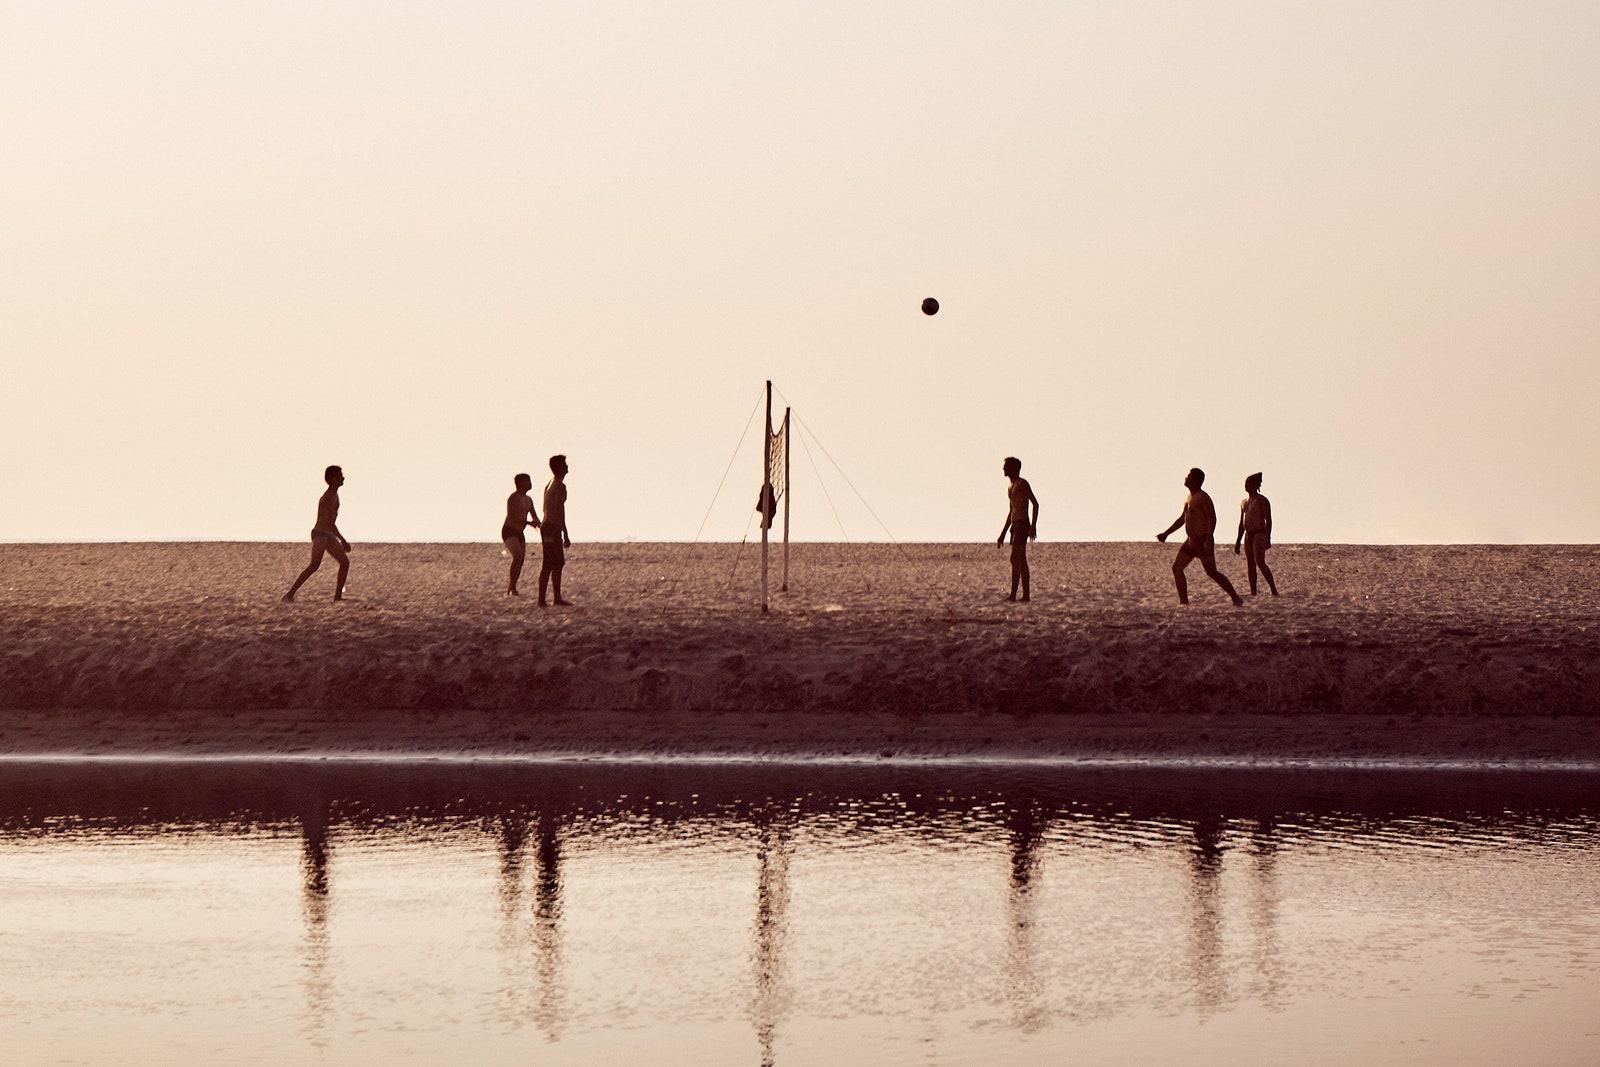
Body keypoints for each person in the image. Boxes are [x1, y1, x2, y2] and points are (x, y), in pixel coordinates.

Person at [1156, 467, 1243, 607]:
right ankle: (1184, 602)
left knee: (1212, 572)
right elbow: (1182, 519)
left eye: (1189, 475)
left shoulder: (1203, 497)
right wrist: (1166, 533)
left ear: (1196, 480)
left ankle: (1235, 598)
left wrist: (1208, 537)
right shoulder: (1189, 498)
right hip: (1190, 541)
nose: (1186, 477)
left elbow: (1212, 518)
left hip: (1202, 540)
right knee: (1177, 568)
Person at [283, 465, 351, 602]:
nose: (343, 478)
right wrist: (343, 540)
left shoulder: (334, 495)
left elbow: (331, 524)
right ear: (333, 479)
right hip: (320, 534)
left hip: (328, 534)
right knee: (314, 565)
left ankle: (338, 597)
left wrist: (339, 539)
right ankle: (289, 594)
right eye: (340, 475)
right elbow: (329, 523)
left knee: (344, 562)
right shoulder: (327, 498)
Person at [997, 456, 1039, 602]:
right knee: (1017, 559)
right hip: (1015, 525)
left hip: (1022, 523)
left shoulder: (1022, 483)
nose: (1004, 468)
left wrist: (1033, 526)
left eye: (1006, 466)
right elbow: (1011, 512)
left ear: (1014, 468)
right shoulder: (1010, 487)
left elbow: (1035, 504)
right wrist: (1003, 534)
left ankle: (1021, 595)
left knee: (1017, 558)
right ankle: (1017, 595)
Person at [1234, 472, 1278, 597]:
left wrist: (1268, 538)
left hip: (1259, 534)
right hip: (1248, 535)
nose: (1246, 485)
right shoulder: (1244, 502)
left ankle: (1273, 589)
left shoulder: (1262, 500)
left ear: (1255, 485)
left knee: (1260, 562)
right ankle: (1253, 591)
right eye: (1245, 483)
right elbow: (1241, 523)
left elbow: (1269, 520)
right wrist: (1238, 541)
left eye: (1249, 483)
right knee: (1250, 563)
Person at [539, 454, 572, 607]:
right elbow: (560, 510)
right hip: (552, 527)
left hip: (548, 526)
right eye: (564, 464)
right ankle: (544, 599)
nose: (567, 466)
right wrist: (565, 533)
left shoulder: (549, 484)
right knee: (550, 563)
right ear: (559, 467)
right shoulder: (559, 486)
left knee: (557, 563)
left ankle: (555, 598)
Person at [503, 473, 542, 596]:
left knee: (521, 559)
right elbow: (512, 516)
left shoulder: (529, 499)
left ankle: (512, 586)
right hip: (509, 530)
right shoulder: (513, 498)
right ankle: (512, 587)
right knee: (517, 555)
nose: (530, 483)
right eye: (527, 481)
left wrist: (539, 523)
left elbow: (534, 516)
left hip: (520, 532)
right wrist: (529, 523)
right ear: (520, 483)